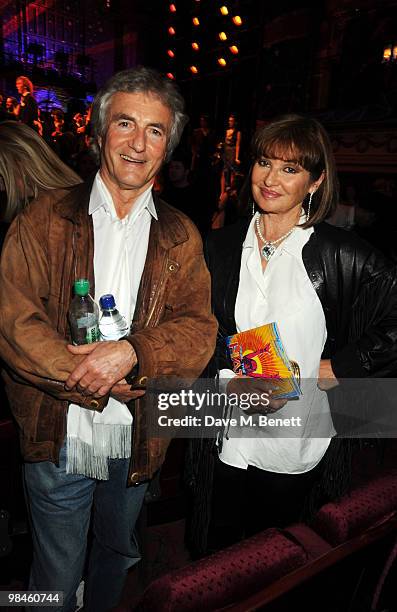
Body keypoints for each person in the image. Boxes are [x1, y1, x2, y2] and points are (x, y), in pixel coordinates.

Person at [0, 67, 217, 611]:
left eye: (156, 130)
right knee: (53, 573)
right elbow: (14, 321)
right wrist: (89, 378)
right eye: (125, 123)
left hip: (138, 434)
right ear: (99, 132)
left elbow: (198, 329)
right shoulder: (41, 218)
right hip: (59, 430)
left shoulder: (181, 234)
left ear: (169, 146)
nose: (138, 143)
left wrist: (133, 354)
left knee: (118, 554)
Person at [187, 114, 397, 555]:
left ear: (316, 182)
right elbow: (200, 333)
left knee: (277, 559)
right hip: (230, 436)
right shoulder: (219, 247)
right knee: (218, 558)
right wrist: (232, 380)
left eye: (290, 169)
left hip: (296, 444)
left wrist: (342, 366)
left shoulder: (341, 254)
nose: (271, 179)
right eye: (265, 162)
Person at [220, 113, 241, 197]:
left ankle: (230, 192)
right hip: (225, 152)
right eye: (229, 121)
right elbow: (223, 143)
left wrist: (236, 157)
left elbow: (238, 145)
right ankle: (222, 192)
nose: (230, 122)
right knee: (224, 171)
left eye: (231, 121)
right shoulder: (226, 131)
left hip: (232, 152)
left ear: (235, 122)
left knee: (232, 171)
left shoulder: (238, 132)